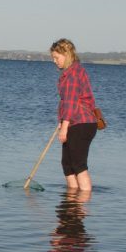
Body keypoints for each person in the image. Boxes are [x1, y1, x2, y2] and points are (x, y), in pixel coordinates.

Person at [50, 38, 98, 191]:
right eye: (53, 58)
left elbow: (71, 102)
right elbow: (67, 103)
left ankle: (82, 203)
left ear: (66, 54)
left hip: (82, 123)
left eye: (57, 57)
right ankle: (72, 202)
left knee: (78, 165)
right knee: (67, 165)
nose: (55, 61)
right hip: (75, 122)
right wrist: (62, 121)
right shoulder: (73, 71)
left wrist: (64, 127)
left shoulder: (72, 74)